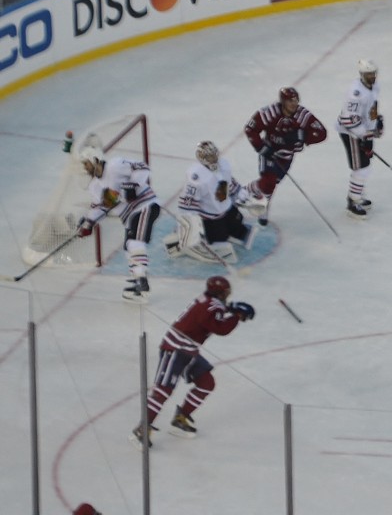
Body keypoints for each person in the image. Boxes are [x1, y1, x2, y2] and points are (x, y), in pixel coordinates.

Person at [130, 276, 254, 448]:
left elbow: (214, 311)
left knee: (206, 383)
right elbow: (220, 328)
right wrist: (236, 316)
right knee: (163, 390)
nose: (228, 295)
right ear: (220, 292)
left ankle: (180, 418)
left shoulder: (209, 300)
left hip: (188, 350)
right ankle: (142, 429)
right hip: (175, 349)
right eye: (226, 293)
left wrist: (231, 309)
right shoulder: (211, 306)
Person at [76, 146, 161, 302]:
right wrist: (88, 223)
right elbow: (101, 206)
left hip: (145, 205)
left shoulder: (115, 165)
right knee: (129, 246)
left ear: (95, 159)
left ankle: (142, 281)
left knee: (135, 242)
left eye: (85, 163)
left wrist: (133, 184)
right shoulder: (95, 186)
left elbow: (142, 167)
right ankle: (138, 280)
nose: (84, 167)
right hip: (130, 215)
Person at [165, 140, 260, 264]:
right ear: (202, 158)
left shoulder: (223, 165)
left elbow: (227, 182)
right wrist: (189, 223)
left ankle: (232, 232)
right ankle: (182, 240)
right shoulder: (197, 177)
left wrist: (240, 193)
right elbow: (187, 203)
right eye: (210, 156)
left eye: (214, 154)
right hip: (210, 216)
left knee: (237, 224)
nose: (214, 158)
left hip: (226, 207)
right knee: (218, 238)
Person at [244, 87, 328, 225]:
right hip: (270, 154)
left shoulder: (303, 115)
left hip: (287, 156)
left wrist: (301, 136)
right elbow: (250, 129)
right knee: (268, 182)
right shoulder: (269, 113)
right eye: (290, 100)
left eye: (296, 100)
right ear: (283, 101)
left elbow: (321, 133)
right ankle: (249, 198)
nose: (294, 103)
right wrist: (261, 147)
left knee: (271, 184)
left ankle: (246, 192)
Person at [335, 59, 383, 218]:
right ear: (362, 74)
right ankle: (353, 202)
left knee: (365, 165)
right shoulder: (355, 93)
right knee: (361, 168)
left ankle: (357, 196)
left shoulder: (374, 87)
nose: (372, 76)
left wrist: (376, 123)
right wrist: (364, 134)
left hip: (363, 132)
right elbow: (347, 119)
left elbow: (372, 107)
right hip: (351, 133)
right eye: (368, 74)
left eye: (373, 73)